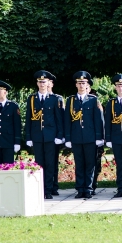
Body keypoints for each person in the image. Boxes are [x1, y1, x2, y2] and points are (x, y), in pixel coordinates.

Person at [64, 71, 104, 199]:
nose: (81, 85)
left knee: (90, 164)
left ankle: (88, 188)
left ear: (87, 85)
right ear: (76, 85)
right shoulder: (70, 100)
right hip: (76, 137)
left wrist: (99, 137)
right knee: (79, 163)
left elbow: (99, 120)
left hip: (90, 137)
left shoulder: (93, 100)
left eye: (84, 83)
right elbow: (67, 120)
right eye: (79, 83)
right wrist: (68, 138)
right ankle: (80, 188)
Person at [25, 70, 64, 199]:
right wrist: (28, 137)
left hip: (50, 136)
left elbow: (59, 119)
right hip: (37, 136)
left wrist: (59, 135)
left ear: (48, 83)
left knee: (50, 164)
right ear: (37, 83)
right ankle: (39, 189)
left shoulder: (54, 99)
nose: (42, 84)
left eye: (44, 82)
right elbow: (29, 119)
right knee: (39, 163)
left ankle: (48, 190)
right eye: (40, 82)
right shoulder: (31, 99)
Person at [47, 75, 65, 195]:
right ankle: (48, 186)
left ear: (52, 84)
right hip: (44, 135)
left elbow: (60, 119)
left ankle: (54, 186)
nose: (46, 85)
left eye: (49, 83)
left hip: (54, 136)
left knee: (53, 162)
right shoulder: (36, 99)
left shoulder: (57, 99)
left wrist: (60, 135)